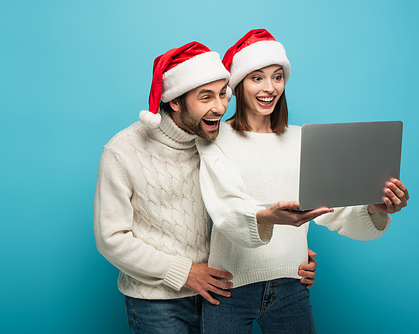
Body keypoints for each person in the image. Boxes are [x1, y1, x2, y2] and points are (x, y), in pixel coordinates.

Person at [93, 41, 319, 334]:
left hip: (219, 291)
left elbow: (244, 206)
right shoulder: (122, 151)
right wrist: (184, 272)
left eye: (223, 94)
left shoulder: (215, 141)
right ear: (175, 100)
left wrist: (289, 252)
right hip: (158, 302)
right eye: (206, 97)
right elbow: (111, 238)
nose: (221, 107)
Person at [195, 29, 410, 334]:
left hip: (291, 288)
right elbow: (226, 210)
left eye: (277, 76)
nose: (269, 87)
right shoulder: (215, 138)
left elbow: (333, 209)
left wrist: (375, 207)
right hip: (229, 289)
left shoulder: (301, 140)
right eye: (257, 77)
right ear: (238, 84)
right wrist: (268, 216)